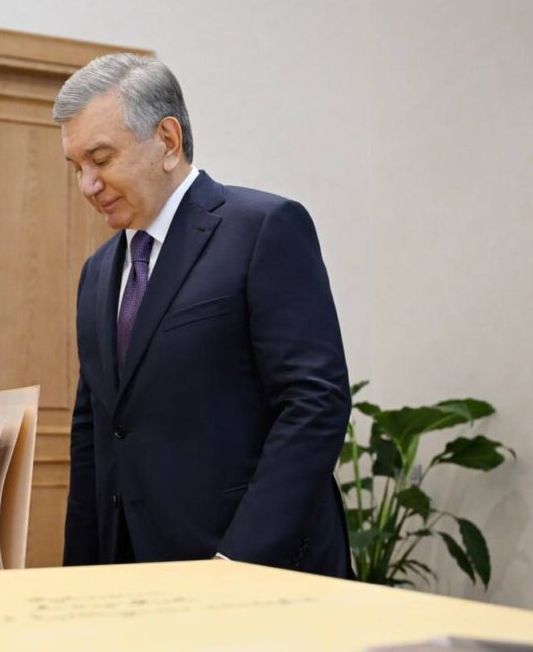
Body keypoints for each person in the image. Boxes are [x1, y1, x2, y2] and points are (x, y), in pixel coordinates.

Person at [54, 53, 353, 577]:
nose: (88, 185)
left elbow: (314, 402)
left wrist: (238, 559)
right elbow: (95, 430)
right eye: (78, 167)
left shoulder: (263, 228)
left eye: (101, 159)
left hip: (252, 567)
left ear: (168, 141)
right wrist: (81, 575)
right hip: (133, 573)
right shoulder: (97, 272)